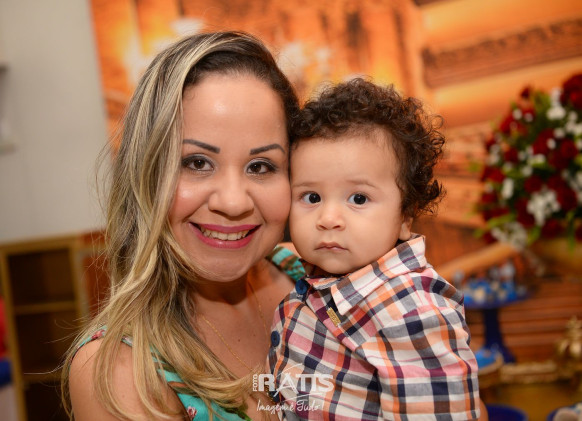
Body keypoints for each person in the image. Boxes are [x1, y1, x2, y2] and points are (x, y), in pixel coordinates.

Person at [62, 31, 303, 420]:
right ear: (146, 174)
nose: (233, 202)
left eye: (260, 166)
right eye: (197, 163)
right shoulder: (122, 372)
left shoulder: (315, 281)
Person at [268, 78, 482, 420]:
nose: (329, 218)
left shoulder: (412, 312)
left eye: (358, 198)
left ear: (405, 215)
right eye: (311, 197)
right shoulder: (312, 279)